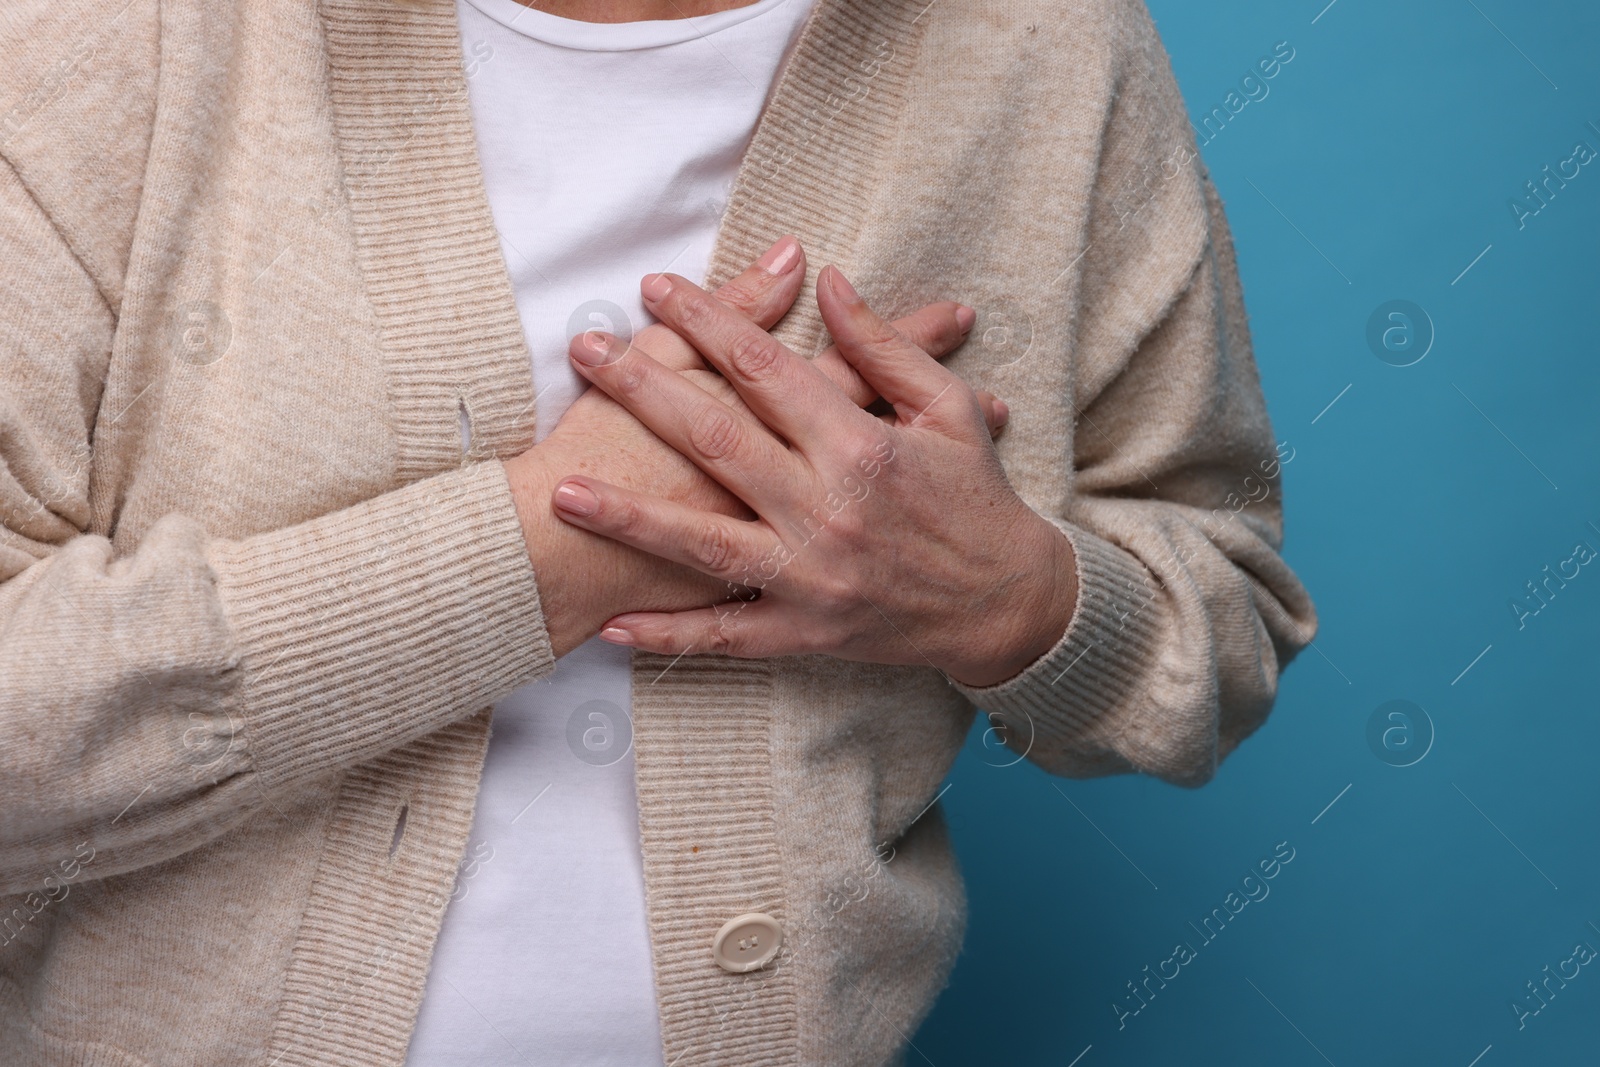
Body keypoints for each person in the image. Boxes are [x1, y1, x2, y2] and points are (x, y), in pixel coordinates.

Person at [0, 0, 1316, 1062]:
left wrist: (1015, 603)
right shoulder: (111, 37)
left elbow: (1225, 614)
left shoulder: (1049, 47)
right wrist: (555, 550)